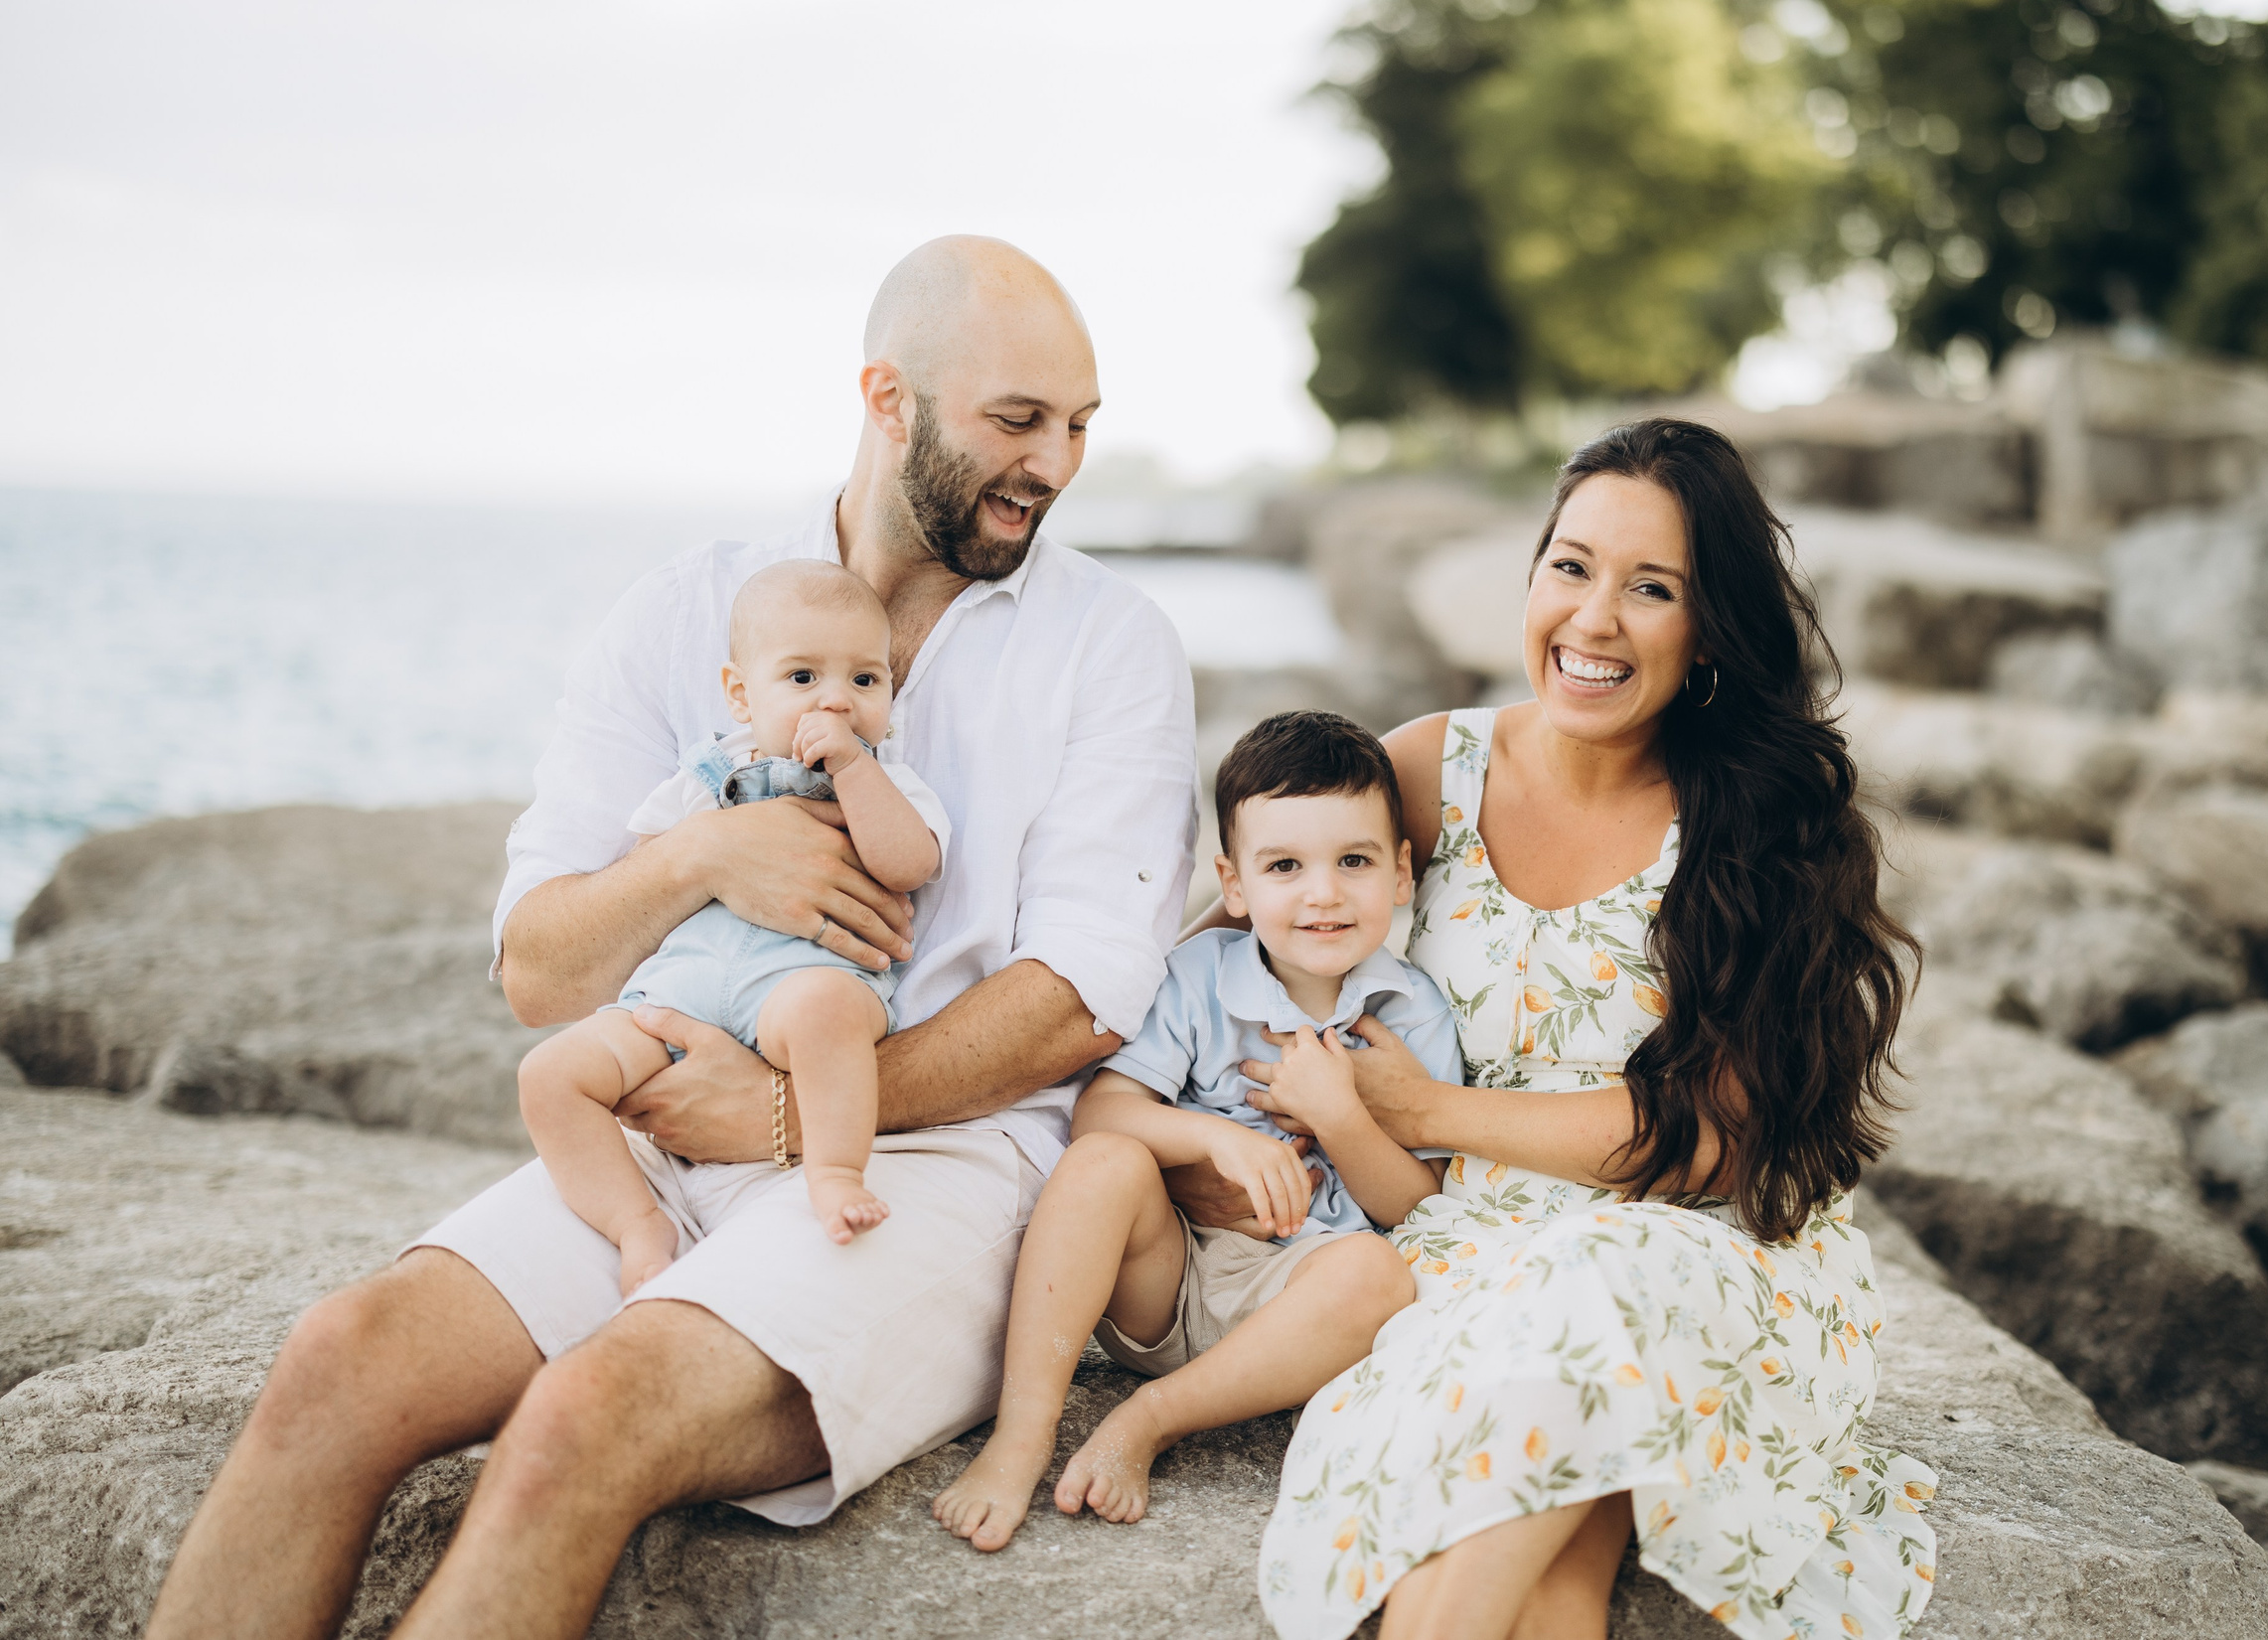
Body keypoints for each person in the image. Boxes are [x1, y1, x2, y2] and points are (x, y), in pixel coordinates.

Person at [143, 235, 1199, 1640]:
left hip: (950, 1162)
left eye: (1079, 425)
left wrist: (782, 1110)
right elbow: (539, 968)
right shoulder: (686, 611)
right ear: (890, 400)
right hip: (661, 1124)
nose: (1056, 461)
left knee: (587, 1413)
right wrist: (704, 854)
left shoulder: (1111, 643)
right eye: (1018, 419)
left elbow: (1082, 998)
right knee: (339, 1357)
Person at [1240, 419, 1941, 1640]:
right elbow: (1228, 956)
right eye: (1570, 566)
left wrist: (1427, 1113)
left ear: (1709, 628)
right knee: (1553, 1550)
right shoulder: (1426, 775)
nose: (1594, 618)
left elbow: (1716, 1142)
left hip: (1697, 1253)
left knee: (1590, 1313)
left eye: (1650, 587)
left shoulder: (1760, 820)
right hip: (1463, 1253)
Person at [931, 710, 1468, 1554]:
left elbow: (1418, 1203)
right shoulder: (1196, 977)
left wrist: (1340, 1116)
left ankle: (1151, 1418)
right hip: (1169, 1279)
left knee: (1378, 1274)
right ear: (1235, 882)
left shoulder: (1412, 1012)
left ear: (1401, 872)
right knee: (1107, 1161)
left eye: (1353, 861)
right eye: (1285, 865)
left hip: (1297, 1304)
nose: (1322, 892)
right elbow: (1102, 1113)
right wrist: (1220, 1140)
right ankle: (1023, 1430)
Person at [519, 558, 952, 1292]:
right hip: (684, 985)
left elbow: (909, 862)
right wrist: (711, 853)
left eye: (864, 680)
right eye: (804, 678)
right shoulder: (705, 775)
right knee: (550, 1074)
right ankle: (635, 1221)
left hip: (800, 980)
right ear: (740, 695)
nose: (837, 702)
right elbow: (650, 869)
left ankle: (836, 1172)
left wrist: (851, 768)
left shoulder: (886, 779)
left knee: (824, 1021)